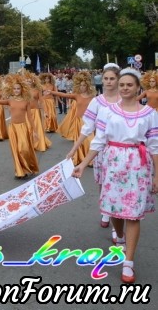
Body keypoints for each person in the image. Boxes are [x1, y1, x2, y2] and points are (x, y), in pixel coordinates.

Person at [72, 68, 158, 284]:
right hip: (113, 163)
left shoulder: (150, 114)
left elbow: (155, 146)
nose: (125, 88)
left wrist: (157, 175)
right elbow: (99, 140)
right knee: (115, 211)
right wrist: (82, 164)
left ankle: (128, 262)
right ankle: (119, 236)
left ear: (138, 87)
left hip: (138, 165)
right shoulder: (108, 111)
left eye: (129, 85)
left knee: (134, 214)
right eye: (122, 85)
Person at [67, 63, 121, 228]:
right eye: (106, 78)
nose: (109, 82)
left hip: (121, 150)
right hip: (101, 150)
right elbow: (87, 128)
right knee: (103, 183)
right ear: (101, 80)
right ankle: (105, 211)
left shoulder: (125, 100)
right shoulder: (97, 102)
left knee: (118, 185)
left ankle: (117, 219)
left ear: (118, 79)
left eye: (112, 78)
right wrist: (73, 149)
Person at [0, 74, 39, 179]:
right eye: (14, 89)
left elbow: (30, 117)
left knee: (24, 149)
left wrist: (35, 131)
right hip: (13, 128)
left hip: (23, 128)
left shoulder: (26, 101)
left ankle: (28, 166)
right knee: (16, 150)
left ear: (22, 89)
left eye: (18, 88)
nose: (16, 90)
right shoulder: (10, 100)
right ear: (12, 90)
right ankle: (19, 171)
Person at [51, 72, 96, 165]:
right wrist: (51, 92)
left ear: (87, 86)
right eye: (80, 85)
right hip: (79, 121)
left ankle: (90, 160)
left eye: (84, 85)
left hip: (89, 121)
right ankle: (80, 157)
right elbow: (63, 95)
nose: (82, 87)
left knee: (90, 141)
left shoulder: (93, 97)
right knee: (79, 141)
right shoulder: (77, 96)